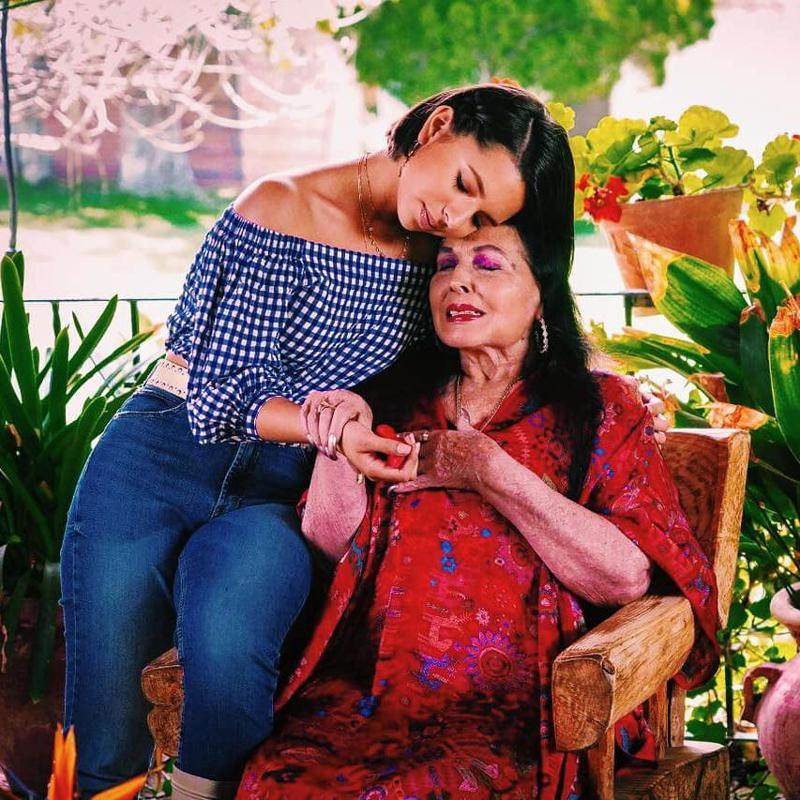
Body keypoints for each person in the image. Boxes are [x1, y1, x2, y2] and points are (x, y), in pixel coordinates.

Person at [60, 83, 625, 800]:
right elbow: (215, 396)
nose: (455, 219)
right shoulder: (280, 206)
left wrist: (607, 394)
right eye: (463, 184)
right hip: (161, 456)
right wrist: (331, 424)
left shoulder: (440, 258)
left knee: (232, 644)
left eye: (481, 216)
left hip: (290, 488)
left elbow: (507, 324)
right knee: (106, 729)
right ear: (437, 126)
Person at [234, 223, 719, 800]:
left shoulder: (601, 407)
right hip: (371, 696)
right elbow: (330, 544)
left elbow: (626, 578)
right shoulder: (394, 401)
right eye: (445, 265)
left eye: (488, 265)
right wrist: (338, 438)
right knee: (278, 777)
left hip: (528, 708)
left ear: (542, 296)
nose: (457, 281)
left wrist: (488, 469)